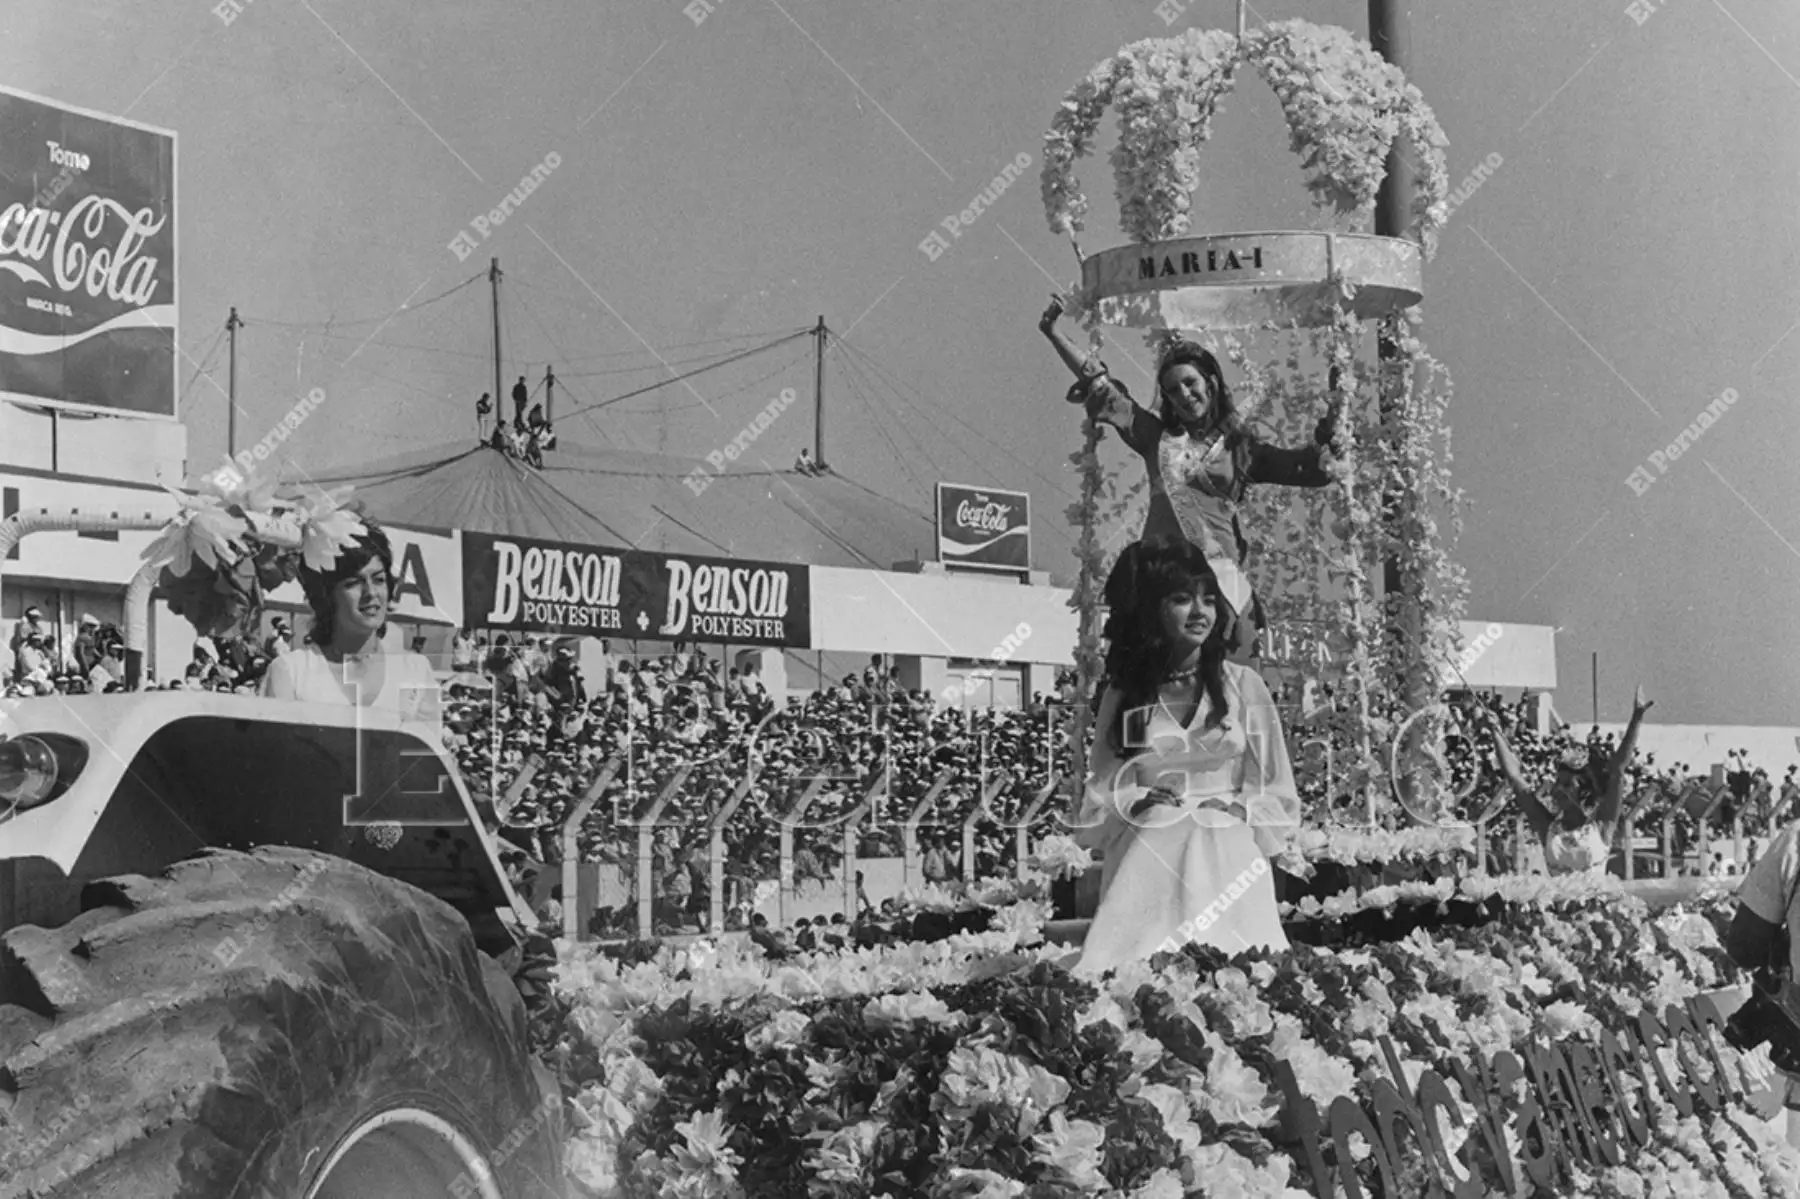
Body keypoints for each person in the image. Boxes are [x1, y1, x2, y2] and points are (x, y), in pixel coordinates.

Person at [1040, 296, 1339, 655]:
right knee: (1145, 665)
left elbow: (1309, 469)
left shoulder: (1241, 448)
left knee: (1235, 662)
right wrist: (1054, 333)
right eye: (1173, 389)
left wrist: (1335, 417)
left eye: (1190, 382)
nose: (1184, 394)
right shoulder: (1155, 436)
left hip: (1218, 575)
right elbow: (1100, 385)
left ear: (1210, 383)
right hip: (1160, 569)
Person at [1072, 538, 1300, 976]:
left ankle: (1236, 966)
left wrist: (1238, 806)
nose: (1200, 613)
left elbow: (1276, 788)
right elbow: (1105, 785)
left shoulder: (1242, 686)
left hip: (1227, 828)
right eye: (1182, 599)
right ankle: (1138, 967)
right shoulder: (1129, 695)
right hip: (1150, 832)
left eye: (1209, 600)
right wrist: (1135, 801)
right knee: (1162, 824)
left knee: (1215, 826)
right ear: (1152, 608)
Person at [260, 519, 438, 712]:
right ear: (327, 595)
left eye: (378, 580)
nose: (371, 592)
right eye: (353, 583)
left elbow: (428, 740)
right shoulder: (292, 672)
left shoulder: (416, 671)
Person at [1473, 687, 1653, 875]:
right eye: (1558, 782)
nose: (1558, 789)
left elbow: (1617, 771)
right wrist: (1495, 731)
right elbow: (1515, 778)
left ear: (1584, 788)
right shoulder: (1547, 826)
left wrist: (1637, 718)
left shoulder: (1602, 825)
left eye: (1567, 784)